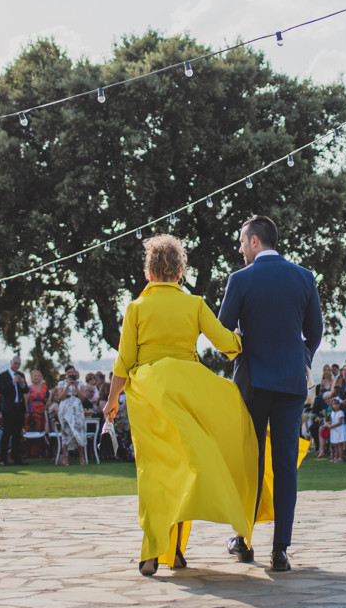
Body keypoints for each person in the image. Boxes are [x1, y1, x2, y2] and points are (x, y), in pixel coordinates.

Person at [103, 234, 261, 577]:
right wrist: (249, 336)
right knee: (185, 467)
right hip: (189, 390)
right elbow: (228, 344)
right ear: (180, 272)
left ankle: (152, 552)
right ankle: (173, 552)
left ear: (149, 273)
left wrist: (112, 401)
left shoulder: (136, 308)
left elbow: (123, 361)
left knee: (155, 473)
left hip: (150, 395)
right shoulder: (195, 304)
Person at [218, 215, 324, 573]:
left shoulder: (241, 279)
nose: (239, 248)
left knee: (251, 463)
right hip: (292, 383)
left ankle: (244, 540)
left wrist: (243, 354)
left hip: (253, 383)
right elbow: (315, 331)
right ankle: (280, 550)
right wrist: (301, 359)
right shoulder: (304, 277)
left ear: (255, 242)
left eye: (241, 241)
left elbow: (222, 333)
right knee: (285, 468)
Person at [0, 354, 28, 465]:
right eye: (15, 363)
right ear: (11, 362)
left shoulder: (21, 375)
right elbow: (1, 390)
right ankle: (3, 459)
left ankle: (17, 458)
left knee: (17, 434)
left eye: (19, 364)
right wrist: (12, 382)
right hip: (8, 409)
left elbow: (26, 390)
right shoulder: (2, 376)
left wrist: (23, 385)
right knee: (6, 433)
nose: (17, 366)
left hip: (19, 408)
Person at [54, 366, 88, 466]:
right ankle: (65, 458)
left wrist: (76, 387)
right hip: (66, 406)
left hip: (77, 405)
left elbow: (83, 397)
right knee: (66, 430)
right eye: (68, 372)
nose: (70, 374)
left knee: (79, 430)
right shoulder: (61, 383)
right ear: (66, 374)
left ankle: (81, 457)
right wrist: (68, 386)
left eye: (72, 372)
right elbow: (61, 397)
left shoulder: (80, 383)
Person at [25, 369, 49, 458]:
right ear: (32, 377)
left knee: (43, 431)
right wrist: (27, 411)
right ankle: (32, 453)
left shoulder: (44, 387)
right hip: (33, 412)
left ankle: (42, 452)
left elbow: (47, 399)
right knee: (33, 430)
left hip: (43, 411)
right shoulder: (29, 388)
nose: (37, 378)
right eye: (35, 376)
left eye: (38, 376)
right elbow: (26, 400)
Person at [327, 396, 346, 462]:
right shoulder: (333, 413)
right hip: (334, 430)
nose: (335, 406)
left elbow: (340, 422)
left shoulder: (340, 412)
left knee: (339, 444)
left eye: (337, 404)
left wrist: (331, 426)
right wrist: (328, 423)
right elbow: (333, 420)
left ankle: (340, 457)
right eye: (334, 404)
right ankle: (336, 456)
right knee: (335, 444)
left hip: (339, 429)